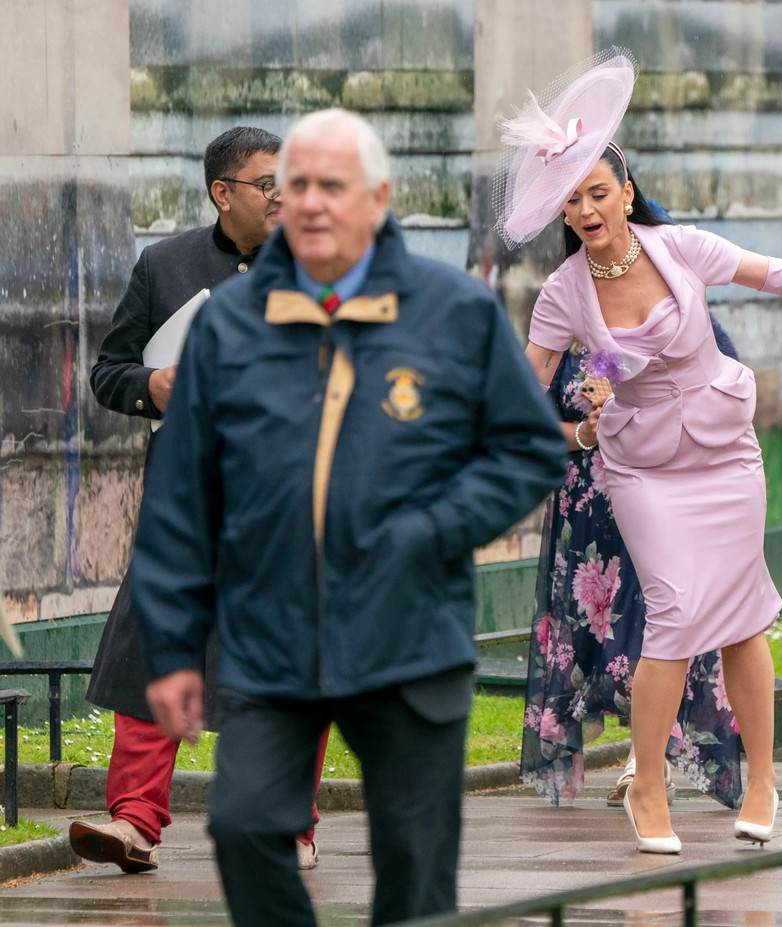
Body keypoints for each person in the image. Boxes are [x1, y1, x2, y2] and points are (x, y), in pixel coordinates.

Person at [131, 108, 567, 926]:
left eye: (333, 185)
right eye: (295, 185)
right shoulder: (231, 324)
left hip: (408, 636)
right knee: (244, 824)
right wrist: (171, 645)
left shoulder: (451, 312)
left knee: (414, 869)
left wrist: (429, 531)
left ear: (378, 197)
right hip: (268, 639)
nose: (312, 202)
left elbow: (528, 449)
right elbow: (181, 497)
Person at [495, 49, 782, 854]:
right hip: (639, 468)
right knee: (669, 612)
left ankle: (762, 774)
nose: (589, 210)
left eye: (599, 192)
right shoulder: (563, 293)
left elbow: (776, 275)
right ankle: (650, 782)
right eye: (574, 201)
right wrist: (578, 431)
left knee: (744, 619)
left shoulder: (681, 248)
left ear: (625, 193)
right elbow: (523, 393)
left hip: (726, 453)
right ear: (564, 214)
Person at [78, 126, 326, 874]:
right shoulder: (166, 264)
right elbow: (109, 370)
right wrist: (151, 385)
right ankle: (135, 822)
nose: (285, 196)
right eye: (267, 184)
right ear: (224, 193)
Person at [521, 337, 743, 810]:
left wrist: (638, 414)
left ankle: (647, 761)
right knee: (600, 642)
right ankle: (644, 757)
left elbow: (724, 398)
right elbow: (525, 420)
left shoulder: (679, 314)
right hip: (587, 509)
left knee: (653, 625)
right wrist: (586, 432)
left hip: (661, 492)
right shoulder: (560, 330)